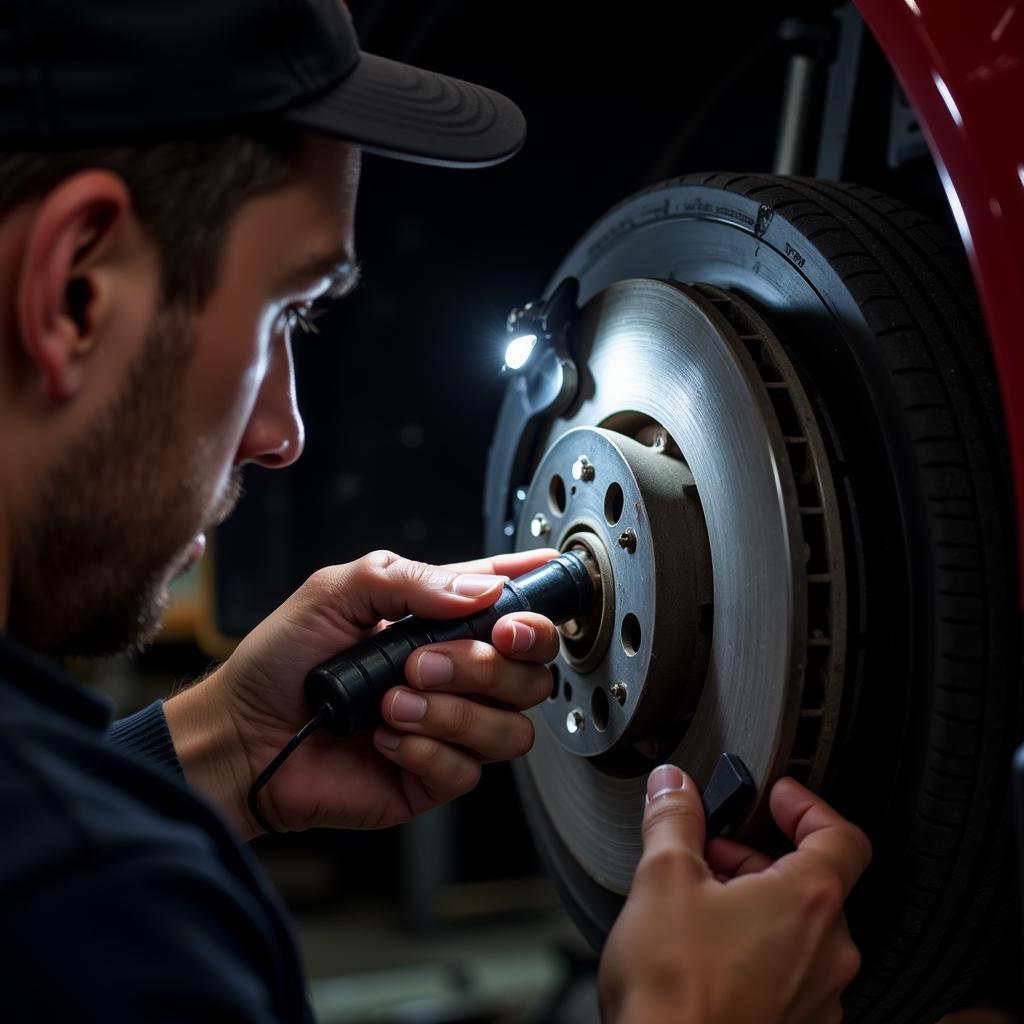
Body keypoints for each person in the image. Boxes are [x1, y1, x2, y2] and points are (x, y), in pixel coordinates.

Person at [0, 0, 871, 1020]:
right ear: (75, 294)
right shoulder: (104, 924)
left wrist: (220, 749)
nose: (282, 433)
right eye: (288, 309)